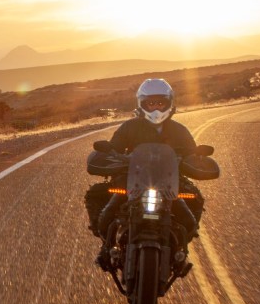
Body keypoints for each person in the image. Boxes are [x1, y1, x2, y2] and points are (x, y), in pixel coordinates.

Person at [85, 78, 206, 268]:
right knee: (98, 194)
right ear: (142, 104)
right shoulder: (129, 127)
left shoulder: (179, 130)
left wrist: (196, 157)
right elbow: (114, 147)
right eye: (151, 103)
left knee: (194, 198)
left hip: (169, 182)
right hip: (131, 178)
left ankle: (181, 250)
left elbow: (192, 153)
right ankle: (106, 245)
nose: (156, 108)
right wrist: (109, 152)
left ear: (169, 103)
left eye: (160, 103)